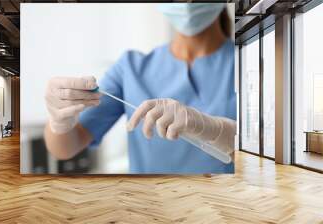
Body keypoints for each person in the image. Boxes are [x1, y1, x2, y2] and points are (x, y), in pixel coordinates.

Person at [44, 3, 236, 174]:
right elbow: (66, 147)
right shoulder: (130, 68)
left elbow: (263, 152)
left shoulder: (249, 60)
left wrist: (217, 130)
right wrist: (59, 121)